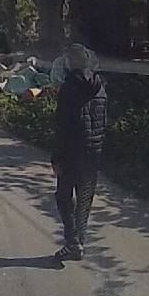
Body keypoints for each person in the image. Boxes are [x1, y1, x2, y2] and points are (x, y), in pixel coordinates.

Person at [52, 44, 107, 262]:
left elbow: (62, 127)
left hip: (71, 154)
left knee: (63, 197)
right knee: (84, 200)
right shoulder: (100, 88)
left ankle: (73, 242)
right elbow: (104, 122)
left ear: (70, 63)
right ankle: (78, 243)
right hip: (94, 153)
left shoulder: (68, 89)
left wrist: (56, 158)